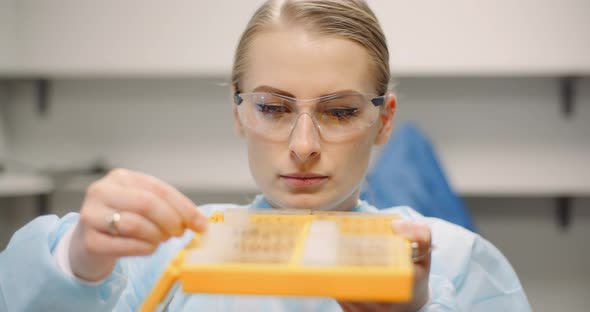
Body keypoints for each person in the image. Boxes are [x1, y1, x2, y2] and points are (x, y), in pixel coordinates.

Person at [0, 0, 531, 311]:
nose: (303, 146)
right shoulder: (162, 254)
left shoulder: (456, 267)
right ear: (238, 113)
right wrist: (75, 263)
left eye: (340, 112)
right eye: (274, 108)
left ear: (383, 120)